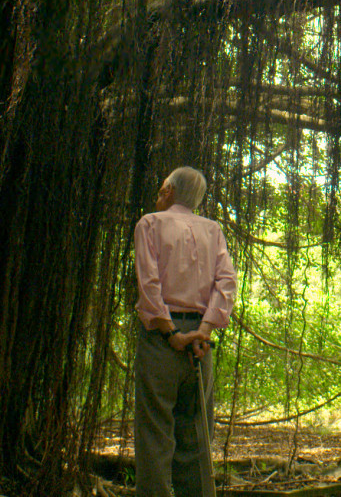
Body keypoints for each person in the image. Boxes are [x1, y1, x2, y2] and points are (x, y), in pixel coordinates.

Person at [132, 166, 237, 497]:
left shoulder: (150, 223)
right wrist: (203, 331)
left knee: (155, 432)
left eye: (163, 187)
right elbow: (227, 283)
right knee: (195, 432)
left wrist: (171, 334)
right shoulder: (213, 230)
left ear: (170, 191)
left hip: (162, 339)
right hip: (200, 344)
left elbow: (150, 284)